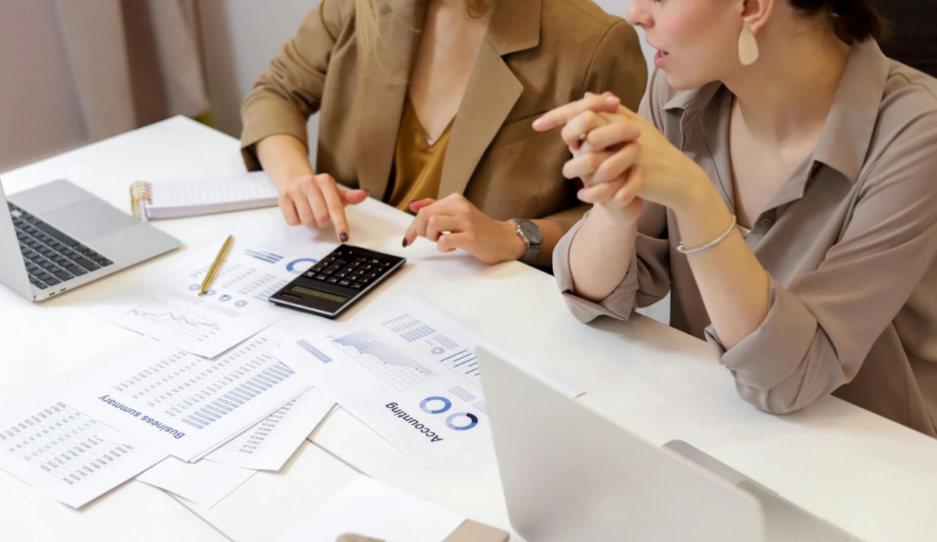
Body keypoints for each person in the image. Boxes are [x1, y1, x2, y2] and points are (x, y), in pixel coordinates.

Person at [534, 0, 937, 436]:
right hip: (720, 431)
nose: (634, 13)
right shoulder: (678, 92)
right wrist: (613, 207)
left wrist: (695, 197)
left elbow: (791, 379)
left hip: (876, 462)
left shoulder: (918, 136)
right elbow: (594, 299)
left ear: (752, 6)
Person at [240, 0, 647, 267]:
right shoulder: (361, 6)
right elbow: (276, 93)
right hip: (344, 270)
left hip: (489, 313)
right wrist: (297, 182)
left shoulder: (594, 43)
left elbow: (626, 213)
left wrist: (515, 236)